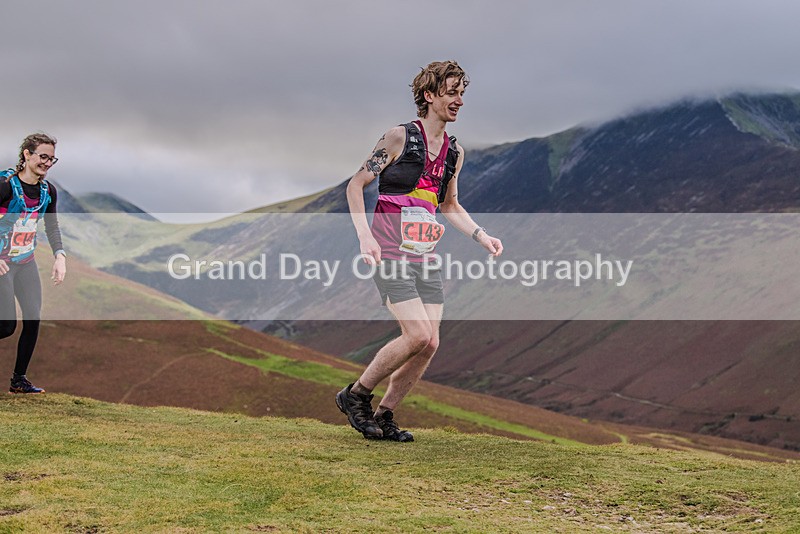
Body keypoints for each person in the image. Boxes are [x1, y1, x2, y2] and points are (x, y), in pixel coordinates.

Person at [336, 61, 503, 441]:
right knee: (416, 335)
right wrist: (365, 236)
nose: (459, 100)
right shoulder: (398, 138)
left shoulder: (454, 153)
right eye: (451, 93)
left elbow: (449, 206)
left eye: (462, 93)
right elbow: (355, 184)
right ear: (429, 96)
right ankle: (356, 396)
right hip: (389, 251)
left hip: (424, 254)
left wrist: (482, 236)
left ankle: (386, 414)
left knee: (430, 343)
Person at [0, 133, 66, 394]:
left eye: (52, 158)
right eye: (43, 156)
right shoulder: (5, 186)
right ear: (27, 154)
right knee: (5, 326)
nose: (47, 163)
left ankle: (19, 380)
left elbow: (52, 227)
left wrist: (59, 256)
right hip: (2, 264)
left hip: (25, 262)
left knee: (33, 319)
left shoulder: (48, 192)